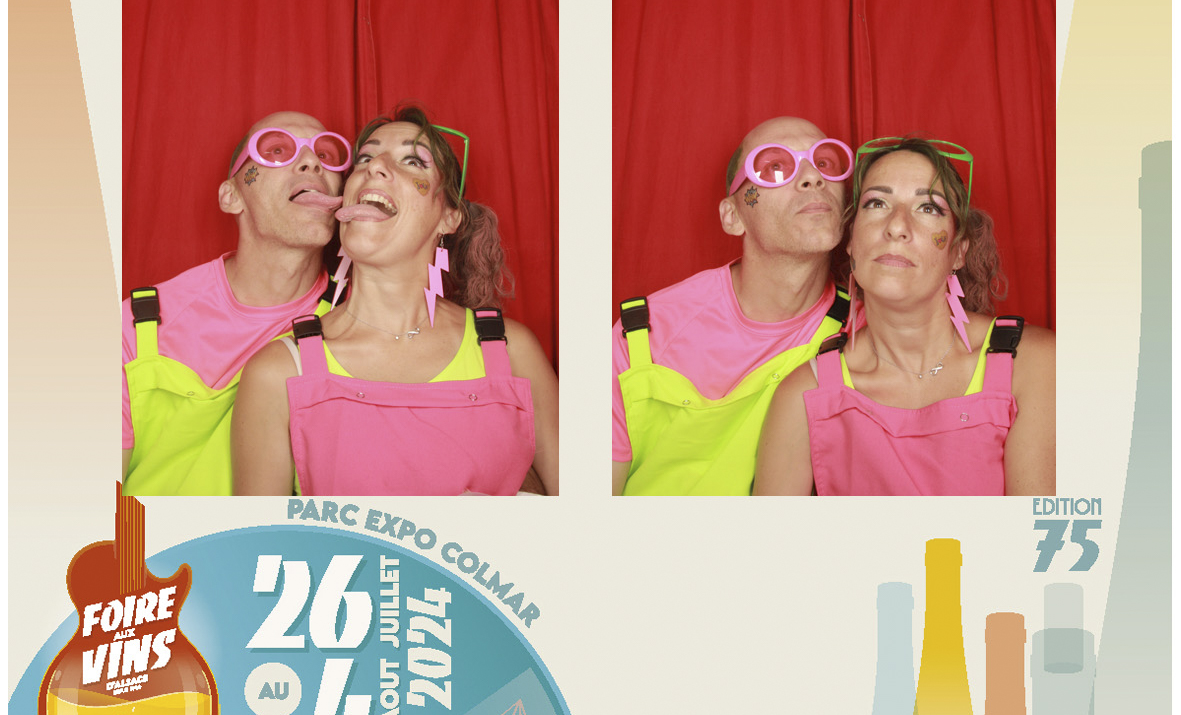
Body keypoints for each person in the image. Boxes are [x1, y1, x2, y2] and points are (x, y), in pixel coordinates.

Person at [232, 107, 559, 495]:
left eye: (413, 161)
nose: (374, 167)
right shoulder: (278, 373)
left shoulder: (511, 351)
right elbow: (262, 535)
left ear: (449, 217)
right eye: (365, 158)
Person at [754, 137, 1055, 496]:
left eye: (928, 208)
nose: (897, 226)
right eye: (877, 203)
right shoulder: (803, 394)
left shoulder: (1035, 363)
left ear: (958, 252)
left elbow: (1037, 529)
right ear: (850, 241)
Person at [612, 116, 854, 496]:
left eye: (825, 162)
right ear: (733, 216)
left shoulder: (864, 330)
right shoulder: (644, 333)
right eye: (774, 167)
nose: (812, 177)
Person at [121, 112, 350, 496]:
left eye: (326, 155)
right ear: (231, 197)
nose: (312, 162)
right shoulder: (140, 324)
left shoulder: (357, 319)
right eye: (276, 150)